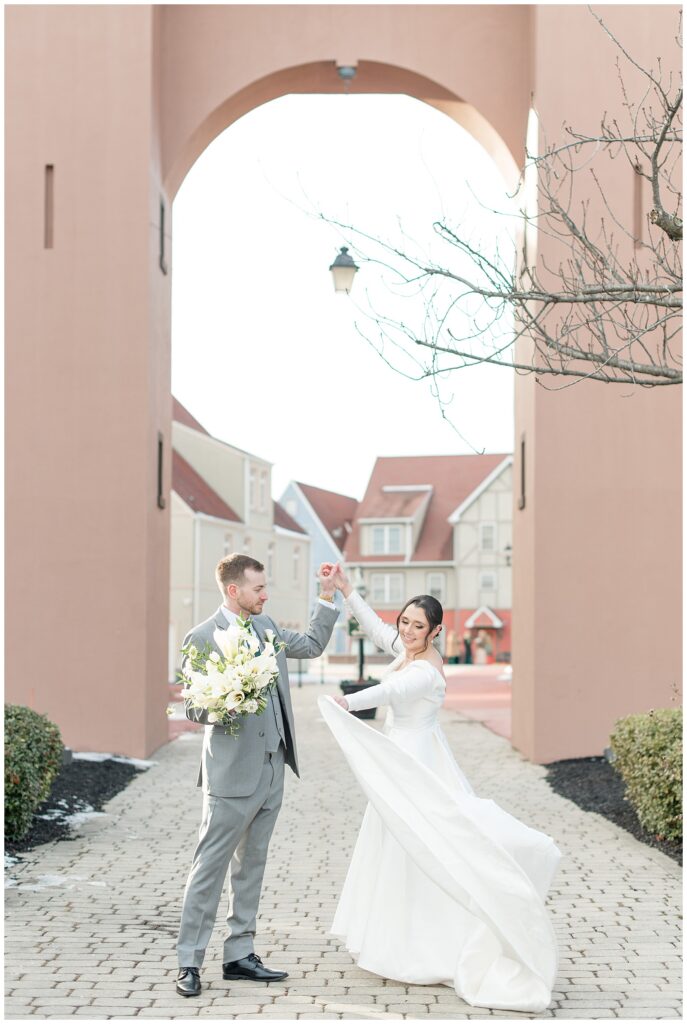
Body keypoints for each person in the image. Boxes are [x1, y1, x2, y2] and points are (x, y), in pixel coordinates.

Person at [318, 566, 561, 1014]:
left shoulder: (426, 670)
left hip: (418, 764)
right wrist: (347, 589)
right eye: (405, 623)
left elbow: (393, 691)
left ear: (435, 632)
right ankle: (389, 935)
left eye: (417, 626)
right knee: (393, 842)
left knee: (423, 842)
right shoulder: (408, 649)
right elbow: (375, 629)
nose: (408, 632)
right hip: (402, 757)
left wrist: (347, 701)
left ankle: (428, 945)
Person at [175, 553, 339, 997]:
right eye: (258, 588)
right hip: (230, 776)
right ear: (234, 590)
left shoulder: (266, 628)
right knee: (208, 869)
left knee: (252, 866)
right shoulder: (202, 637)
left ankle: (239, 955)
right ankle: (189, 960)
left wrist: (326, 596)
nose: (266, 595)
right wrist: (223, 700)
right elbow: (193, 705)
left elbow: (310, 645)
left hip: (272, 768)